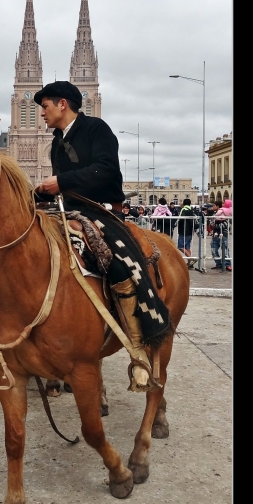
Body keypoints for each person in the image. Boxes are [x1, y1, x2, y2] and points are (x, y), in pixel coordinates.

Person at [34, 80, 162, 391]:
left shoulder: (96, 129)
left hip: (102, 211)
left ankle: (136, 339)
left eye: (46, 105)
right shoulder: (56, 141)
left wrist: (59, 182)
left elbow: (106, 171)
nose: (41, 113)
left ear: (63, 104)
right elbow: (62, 189)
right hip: (69, 213)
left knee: (117, 261)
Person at [210, 199, 232, 271]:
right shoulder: (214, 214)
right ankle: (218, 263)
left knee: (225, 250)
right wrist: (211, 225)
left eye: (214, 205)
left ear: (217, 206)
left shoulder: (225, 214)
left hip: (223, 234)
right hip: (215, 234)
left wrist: (215, 226)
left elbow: (226, 224)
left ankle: (227, 264)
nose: (213, 206)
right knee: (213, 250)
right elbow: (210, 223)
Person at [176, 197, 198, 267]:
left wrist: (177, 223)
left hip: (184, 230)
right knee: (187, 247)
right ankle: (190, 263)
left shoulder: (184, 209)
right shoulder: (192, 210)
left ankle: (191, 259)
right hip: (190, 231)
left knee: (180, 246)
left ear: (184, 203)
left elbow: (180, 219)